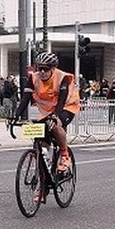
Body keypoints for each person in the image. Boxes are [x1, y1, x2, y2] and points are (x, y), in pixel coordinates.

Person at [15, 51, 82, 183]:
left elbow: (62, 101)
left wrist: (55, 116)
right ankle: (44, 184)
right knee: (42, 140)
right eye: (40, 69)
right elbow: (25, 99)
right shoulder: (33, 78)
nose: (42, 72)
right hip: (47, 111)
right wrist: (15, 116)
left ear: (53, 68)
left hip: (67, 107)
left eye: (46, 69)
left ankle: (64, 155)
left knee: (55, 125)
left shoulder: (62, 77)